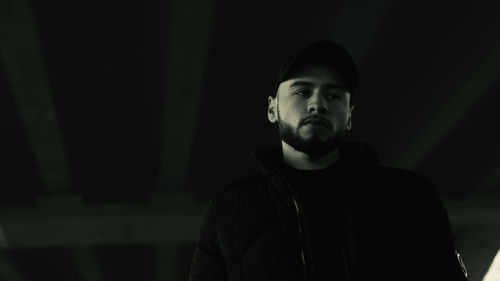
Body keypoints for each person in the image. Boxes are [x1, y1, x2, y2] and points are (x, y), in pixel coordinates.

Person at [189, 41, 468, 281]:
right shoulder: (229, 209)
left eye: (333, 95)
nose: (317, 104)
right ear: (272, 108)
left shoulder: (411, 196)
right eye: (301, 91)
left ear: (348, 116)